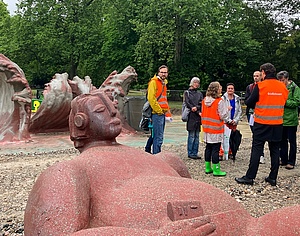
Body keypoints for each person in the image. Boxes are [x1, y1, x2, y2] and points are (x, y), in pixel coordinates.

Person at [24, 89, 300, 235]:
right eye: (100, 111)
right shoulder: (69, 171)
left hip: (255, 226)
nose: (112, 112)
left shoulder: (164, 159)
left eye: (112, 107)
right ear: (81, 123)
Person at [235, 63, 288, 186]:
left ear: (263, 72)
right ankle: (273, 177)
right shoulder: (283, 87)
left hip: (262, 123)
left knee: (257, 150)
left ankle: (250, 177)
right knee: (275, 150)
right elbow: (283, 102)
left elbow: (250, 102)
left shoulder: (261, 86)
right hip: (277, 123)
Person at [202, 81, 229, 176]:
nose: (221, 88)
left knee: (208, 147)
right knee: (215, 149)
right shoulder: (219, 101)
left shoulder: (205, 100)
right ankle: (216, 169)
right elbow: (223, 116)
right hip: (216, 128)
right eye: (220, 87)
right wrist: (228, 110)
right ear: (216, 89)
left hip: (206, 128)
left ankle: (208, 167)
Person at [144, 65, 172, 154]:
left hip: (161, 113)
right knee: (158, 136)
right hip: (157, 113)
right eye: (162, 72)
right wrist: (159, 111)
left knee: (155, 135)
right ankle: (157, 155)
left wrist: (167, 112)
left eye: (165, 72)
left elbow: (164, 99)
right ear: (158, 73)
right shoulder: (154, 82)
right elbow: (151, 98)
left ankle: (148, 150)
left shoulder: (163, 83)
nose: (163, 74)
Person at [277, 70, 300, 170]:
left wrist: (284, 101)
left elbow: (296, 102)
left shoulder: (295, 88)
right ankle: (284, 159)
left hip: (291, 120)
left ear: (287, 79)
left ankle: (291, 161)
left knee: (292, 141)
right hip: (281, 119)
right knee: (282, 141)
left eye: (282, 80)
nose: (281, 82)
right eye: (279, 80)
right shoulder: (279, 88)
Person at [245, 71, 265, 164]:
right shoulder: (250, 87)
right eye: (254, 76)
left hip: (261, 112)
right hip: (251, 112)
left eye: (257, 76)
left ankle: (261, 155)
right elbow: (247, 100)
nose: (255, 77)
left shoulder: (264, 86)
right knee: (254, 132)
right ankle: (256, 154)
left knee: (260, 134)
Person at [219, 83, 242, 160]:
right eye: (229, 88)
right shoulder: (222, 99)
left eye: (232, 88)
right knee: (224, 137)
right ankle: (222, 153)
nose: (230, 90)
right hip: (226, 122)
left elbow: (239, 111)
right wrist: (228, 120)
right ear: (226, 89)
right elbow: (222, 110)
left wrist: (235, 120)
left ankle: (231, 152)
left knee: (233, 137)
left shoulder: (237, 99)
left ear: (234, 89)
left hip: (234, 121)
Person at [184, 77, 203, 159]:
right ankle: (190, 152)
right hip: (191, 115)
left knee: (197, 135)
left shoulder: (200, 94)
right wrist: (193, 108)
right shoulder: (187, 93)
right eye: (195, 82)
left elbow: (201, 103)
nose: (196, 84)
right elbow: (187, 102)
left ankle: (195, 152)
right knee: (191, 135)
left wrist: (197, 108)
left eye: (198, 83)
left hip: (198, 116)